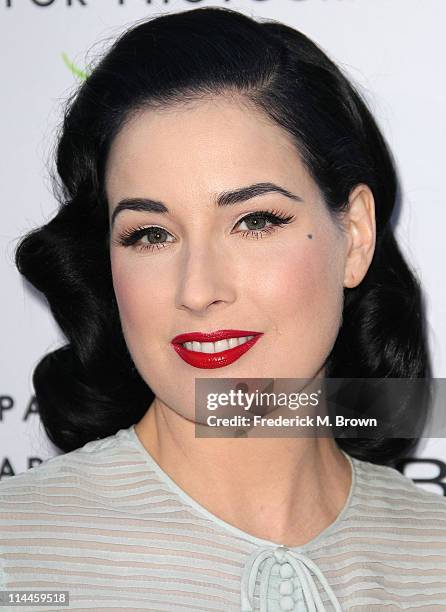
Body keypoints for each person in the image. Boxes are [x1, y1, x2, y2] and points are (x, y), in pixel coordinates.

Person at [1, 6, 445, 611]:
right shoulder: (16, 550)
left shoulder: (435, 550)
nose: (198, 287)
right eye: (150, 235)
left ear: (356, 235)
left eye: (255, 221)